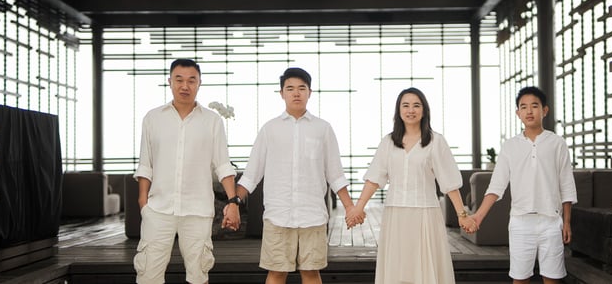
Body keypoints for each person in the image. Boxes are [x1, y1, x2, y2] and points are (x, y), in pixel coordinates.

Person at [234, 67, 360, 284]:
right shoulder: (269, 129)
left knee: (311, 273)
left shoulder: (323, 129)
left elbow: (335, 173)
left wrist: (349, 207)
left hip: (312, 215)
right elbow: (252, 173)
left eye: (302, 88)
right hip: (278, 215)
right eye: (290, 88)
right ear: (281, 93)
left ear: (310, 92)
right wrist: (234, 202)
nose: (296, 93)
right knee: (276, 273)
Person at [345, 87, 475, 284]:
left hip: (425, 214)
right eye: (405, 105)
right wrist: (358, 208)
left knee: (425, 267)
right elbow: (374, 178)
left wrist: (462, 215)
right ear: (399, 110)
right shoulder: (388, 142)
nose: (411, 110)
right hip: (395, 214)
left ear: (424, 110)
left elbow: (449, 182)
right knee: (398, 268)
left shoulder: (436, 141)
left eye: (416, 105)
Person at [132, 59, 241, 284]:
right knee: (148, 275)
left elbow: (223, 164)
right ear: (169, 82)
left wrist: (233, 203)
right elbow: (145, 164)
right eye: (179, 80)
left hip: (198, 210)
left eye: (191, 80)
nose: (185, 86)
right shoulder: (152, 118)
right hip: (158, 209)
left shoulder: (212, 121)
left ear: (199, 83)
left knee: (199, 274)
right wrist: (144, 202)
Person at [466, 86, 577, 284]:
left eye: (534, 106)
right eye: (523, 107)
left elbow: (566, 183)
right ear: (518, 113)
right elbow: (496, 186)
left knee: (553, 279)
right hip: (520, 222)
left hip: (552, 222)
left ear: (544, 110)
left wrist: (566, 222)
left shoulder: (557, 143)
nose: (529, 111)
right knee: (520, 279)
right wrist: (478, 216)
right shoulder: (510, 146)